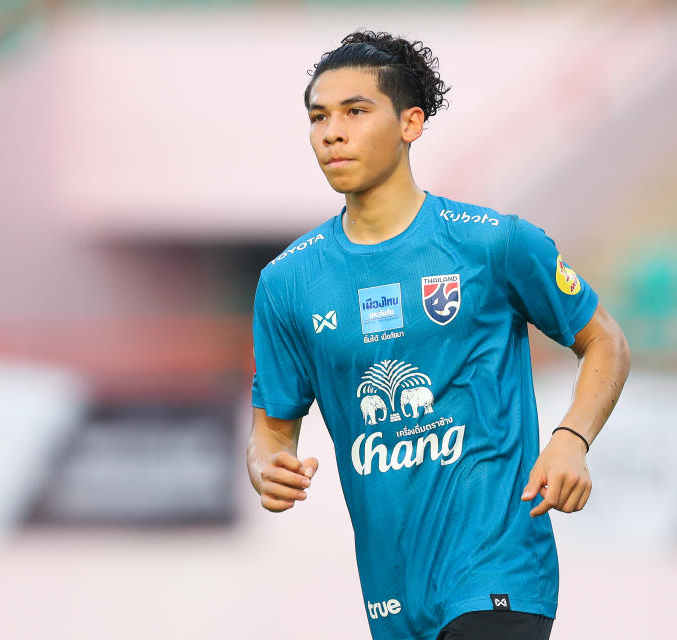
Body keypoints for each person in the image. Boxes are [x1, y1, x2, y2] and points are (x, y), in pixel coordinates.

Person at [246, 30, 631, 640]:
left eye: (355, 111)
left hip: (499, 569)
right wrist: (267, 464)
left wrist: (571, 439)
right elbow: (273, 426)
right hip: (393, 591)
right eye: (319, 117)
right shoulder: (288, 283)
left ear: (411, 123)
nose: (331, 132)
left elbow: (605, 340)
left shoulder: (493, 243)